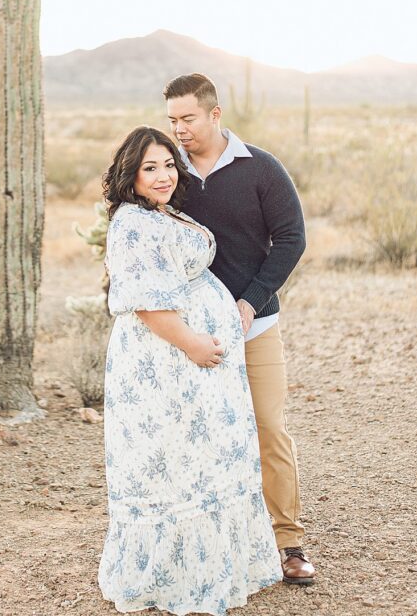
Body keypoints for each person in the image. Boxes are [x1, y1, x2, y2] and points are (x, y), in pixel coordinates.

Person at [97, 126, 282, 615]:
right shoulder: (132, 224)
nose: (162, 176)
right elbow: (147, 305)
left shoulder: (162, 212)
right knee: (175, 459)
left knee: (206, 455)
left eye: (167, 165)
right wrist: (196, 344)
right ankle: (176, 576)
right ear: (129, 174)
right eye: (149, 167)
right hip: (169, 359)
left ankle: (218, 566)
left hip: (196, 361)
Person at [163, 73, 315, 587]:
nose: (179, 129)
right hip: (189, 335)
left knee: (268, 427)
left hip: (255, 326)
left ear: (214, 114)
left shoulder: (260, 168)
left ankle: (288, 542)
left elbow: (291, 237)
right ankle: (208, 544)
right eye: (172, 120)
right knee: (197, 436)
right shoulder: (166, 173)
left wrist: (250, 301)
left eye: (187, 118)